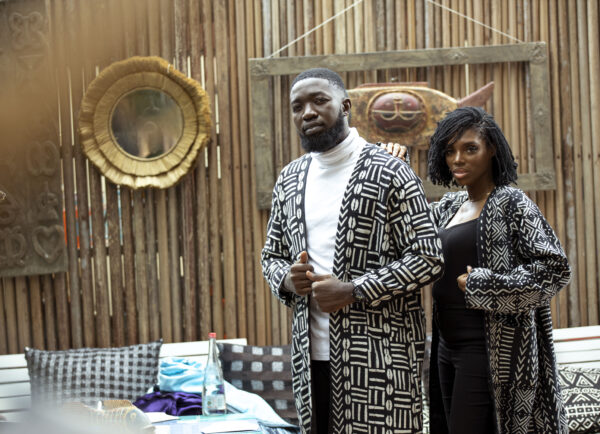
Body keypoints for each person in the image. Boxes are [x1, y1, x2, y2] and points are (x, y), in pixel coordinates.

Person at [261, 68, 444, 433]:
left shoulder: (390, 170)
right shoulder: (290, 179)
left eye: (319, 101)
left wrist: (353, 290)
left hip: (381, 358)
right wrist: (288, 279)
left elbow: (428, 257)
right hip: (310, 360)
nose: (307, 113)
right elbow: (271, 256)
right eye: (297, 106)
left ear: (345, 106)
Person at [383, 106, 571, 433]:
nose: (457, 159)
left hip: (488, 349)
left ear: (491, 149)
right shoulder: (449, 207)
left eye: (470, 149)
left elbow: (555, 269)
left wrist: (484, 285)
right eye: (450, 151)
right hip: (445, 346)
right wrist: (398, 169)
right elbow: (408, 231)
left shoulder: (512, 203)